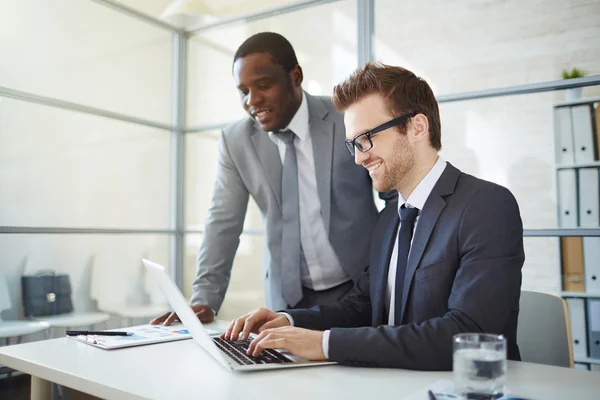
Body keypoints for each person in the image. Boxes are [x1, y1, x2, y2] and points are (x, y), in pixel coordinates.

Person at [221, 62, 525, 371]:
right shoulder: (390, 218)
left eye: (367, 138)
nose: (358, 157)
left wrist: (325, 344)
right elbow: (362, 306)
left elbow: (467, 334)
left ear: (417, 127)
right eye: (353, 143)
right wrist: (287, 320)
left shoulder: (486, 206)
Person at [152, 33, 393, 326]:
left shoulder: (345, 117)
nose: (252, 101)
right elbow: (223, 222)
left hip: (359, 286)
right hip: (288, 298)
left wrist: (390, 265)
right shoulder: (236, 141)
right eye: (243, 91)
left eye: (264, 85)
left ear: (295, 76)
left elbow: (393, 196)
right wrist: (204, 299)